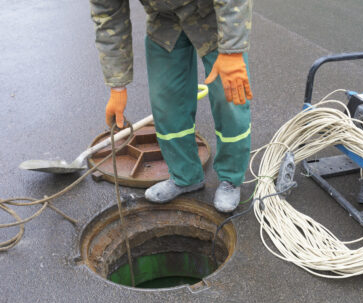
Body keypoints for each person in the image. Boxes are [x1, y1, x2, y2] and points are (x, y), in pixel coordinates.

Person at [89, 0, 253, 212]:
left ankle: (231, 179)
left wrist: (232, 51)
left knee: (229, 98)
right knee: (166, 102)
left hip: (213, 15)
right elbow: (108, 16)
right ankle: (185, 176)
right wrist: (117, 87)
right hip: (164, 21)